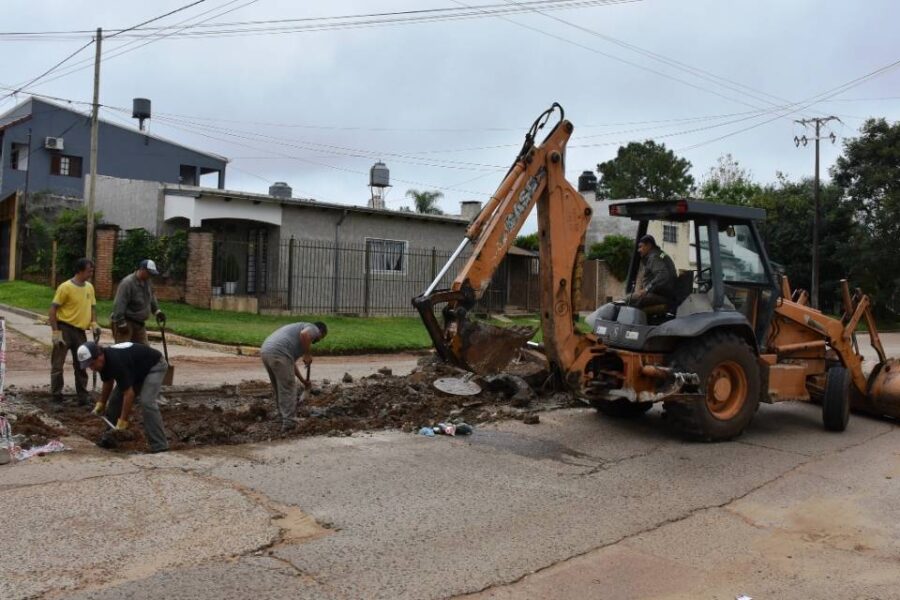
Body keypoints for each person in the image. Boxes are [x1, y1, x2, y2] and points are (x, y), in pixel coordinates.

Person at [77, 340, 169, 453]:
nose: (91, 368)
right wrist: (101, 404)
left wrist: (123, 421)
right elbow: (108, 382)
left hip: (155, 366)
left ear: (100, 355)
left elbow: (129, 394)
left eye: (91, 364)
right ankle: (110, 437)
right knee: (115, 400)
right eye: (88, 365)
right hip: (136, 370)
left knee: (147, 402)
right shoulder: (103, 363)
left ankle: (160, 445)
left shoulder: (116, 362)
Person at [49, 257, 101, 403]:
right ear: (80, 271)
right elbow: (53, 310)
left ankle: (83, 396)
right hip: (64, 328)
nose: (91, 273)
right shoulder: (65, 287)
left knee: (82, 363)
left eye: (92, 270)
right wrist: (56, 332)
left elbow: (92, 307)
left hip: (80, 332)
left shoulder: (89, 287)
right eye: (89, 270)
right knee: (58, 364)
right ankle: (56, 395)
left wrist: (94, 323)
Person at [260, 321, 328, 431]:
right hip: (278, 352)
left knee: (280, 386)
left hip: (266, 351)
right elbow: (305, 334)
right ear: (321, 332)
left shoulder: (297, 340)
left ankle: (282, 416)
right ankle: (289, 421)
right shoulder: (313, 328)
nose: (318, 340)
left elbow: (290, 364)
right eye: (321, 337)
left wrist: (303, 381)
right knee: (288, 387)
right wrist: (307, 354)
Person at [111, 259, 166, 344]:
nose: (150, 276)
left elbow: (151, 298)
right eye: (149, 273)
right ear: (142, 269)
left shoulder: (148, 282)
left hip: (139, 324)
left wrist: (157, 312)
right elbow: (119, 304)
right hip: (126, 322)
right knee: (123, 351)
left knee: (144, 352)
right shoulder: (127, 283)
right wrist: (121, 323)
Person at [625, 234, 677, 309]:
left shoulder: (653, 257)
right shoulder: (660, 254)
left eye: (641, 247)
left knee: (628, 299)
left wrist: (646, 289)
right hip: (667, 294)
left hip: (662, 295)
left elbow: (663, 274)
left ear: (649, 245)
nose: (638, 250)